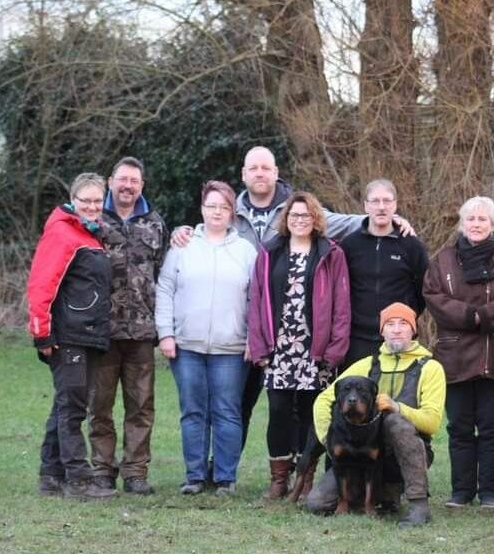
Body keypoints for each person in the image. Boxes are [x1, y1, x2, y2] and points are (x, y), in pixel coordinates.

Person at [170, 147, 415, 457]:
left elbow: (354, 223)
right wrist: (182, 231)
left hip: (308, 344)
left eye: (265, 168)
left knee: (303, 410)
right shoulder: (232, 213)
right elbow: (209, 229)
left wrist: (391, 217)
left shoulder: (310, 224)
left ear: (276, 172)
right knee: (239, 407)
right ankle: (221, 470)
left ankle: (300, 472)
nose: (259, 173)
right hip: (259, 337)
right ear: (244, 174)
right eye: (253, 168)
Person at [423, 196, 494, 509]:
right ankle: (461, 491)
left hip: (493, 353)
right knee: (459, 427)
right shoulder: (443, 259)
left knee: (493, 426)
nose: (477, 224)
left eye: (483, 219)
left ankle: (491, 492)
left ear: (493, 224)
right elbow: (433, 296)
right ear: (462, 223)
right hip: (454, 356)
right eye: (471, 219)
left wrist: (485, 316)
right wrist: (471, 316)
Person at [246, 191, 351, 500]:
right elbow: (256, 301)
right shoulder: (269, 252)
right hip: (278, 350)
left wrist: (334, 351)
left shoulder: (331, 254)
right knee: (278, 411)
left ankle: (306, 479)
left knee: (310, 414)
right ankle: (279, 479)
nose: (300, 221)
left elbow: (342, 307)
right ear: (286, 220)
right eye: (294, 216)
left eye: (305, 216)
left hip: (314, 350)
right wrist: (260, 346)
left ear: (315, 219)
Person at [156, 180, 258, 496]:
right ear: (202, 209)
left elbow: (257, 298)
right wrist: (166, 334)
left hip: (232, 347)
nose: (217, 212)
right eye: (211, 206)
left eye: (224, 207)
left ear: (233, 213)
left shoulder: (246, 251)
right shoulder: (183, 246)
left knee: (227, 411)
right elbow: (165, 290)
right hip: (187, 346)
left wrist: (255, 338)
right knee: (193, 411)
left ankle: (225, 478)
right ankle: (195, 476)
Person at [308, 303, 446, 528]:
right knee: (317, 503)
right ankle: (382, 494)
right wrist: (329, 441)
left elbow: (432, 422)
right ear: (382, 331)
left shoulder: (430, 368)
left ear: (413, 330)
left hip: (408, 452)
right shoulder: (367, 364)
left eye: (403, 324)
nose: (397, 329)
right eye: (390, 324)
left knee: (394, 422)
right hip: (359, 453)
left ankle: (418, 503)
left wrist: (396, 407)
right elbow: (324, 400)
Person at [27, 172, 117, 500]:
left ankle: (50, 474)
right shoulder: (63, 234)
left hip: (89, 334)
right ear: (73, 200)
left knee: (66, 403)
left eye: (97, 201)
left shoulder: (92, 235)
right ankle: (78, 478)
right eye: (86, 201)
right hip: (69, 336)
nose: (92, 206)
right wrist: (43, 334)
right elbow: (41, 285)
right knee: (73, 406)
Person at [87, 156, 167, 496]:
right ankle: (102, 470)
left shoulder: (155, 223)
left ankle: (135, 472)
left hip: (141, 333)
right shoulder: (93, 220)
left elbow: (163, 275)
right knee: (99, 406)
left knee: (141, 406)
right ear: (110, 181)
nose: (128, 186)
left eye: (134, 181)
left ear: (142, 186)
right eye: (122, 179)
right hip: (100, 332)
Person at [339, 179, 430, 369]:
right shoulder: (349, 245)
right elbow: (340, 290)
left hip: (399, 338)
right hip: (357, 339)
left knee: (396, 398)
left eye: (387, 201)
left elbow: (424, 289)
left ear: (395, 205)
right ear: (366, 206)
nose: (381, 207)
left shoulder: (411, 245)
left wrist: (405, 318)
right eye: (375, 201)